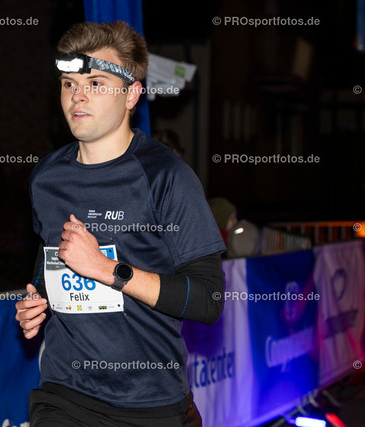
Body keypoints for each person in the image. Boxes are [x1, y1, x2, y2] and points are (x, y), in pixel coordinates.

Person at [15, 20, 225, 426]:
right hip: (65, 392)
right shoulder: (46, 178)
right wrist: (37, 299)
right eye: (69, 83)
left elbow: (208, 300)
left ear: (131, 94)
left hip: (149, 402)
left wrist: (106, 269)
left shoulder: (167, 177)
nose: (77, 95)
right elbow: (51, 258)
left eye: (95, 83)